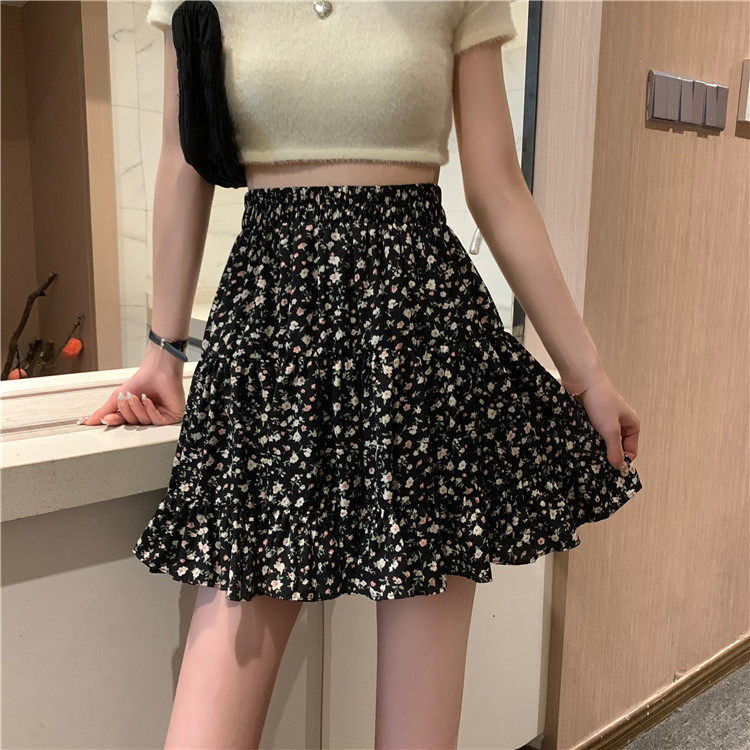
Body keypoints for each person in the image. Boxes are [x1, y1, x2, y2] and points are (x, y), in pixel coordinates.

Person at [80, 1, 643, 747]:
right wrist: (164, 352)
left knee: (417, 733)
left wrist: (587, 374)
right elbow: (184, 160)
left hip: (422, 344)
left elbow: (498, 186)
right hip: (269, 345)